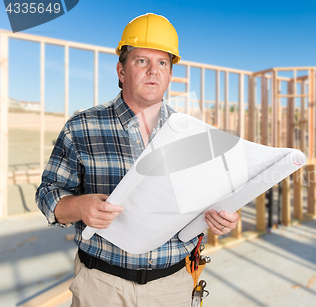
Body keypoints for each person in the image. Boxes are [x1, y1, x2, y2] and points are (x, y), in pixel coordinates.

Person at [35, 13, 240, 307]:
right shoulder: (82, 126)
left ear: (170, 74)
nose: (153, 71)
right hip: (101, 286)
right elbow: (48, 194)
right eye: (142, 61)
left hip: (172, 287)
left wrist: (219, 216)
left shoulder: (192, 133)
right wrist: (80, 206)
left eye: (162, 63)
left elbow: (203, 202)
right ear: (121, 71)